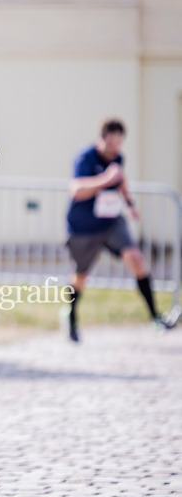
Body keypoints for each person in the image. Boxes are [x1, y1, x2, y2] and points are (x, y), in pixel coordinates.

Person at [66, 119, 168, 342]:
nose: (115, 149)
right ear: (101, 139)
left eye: (118, 144)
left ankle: (155, 316)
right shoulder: (85, 157)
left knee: (136, 259)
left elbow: (120, 179)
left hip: (111, 223)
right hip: (84, 227)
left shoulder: (118, 158)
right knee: (80, 277)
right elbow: (76, 190)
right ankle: (71, 318)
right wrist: (105, 180)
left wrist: (130, 204)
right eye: (111, 144)